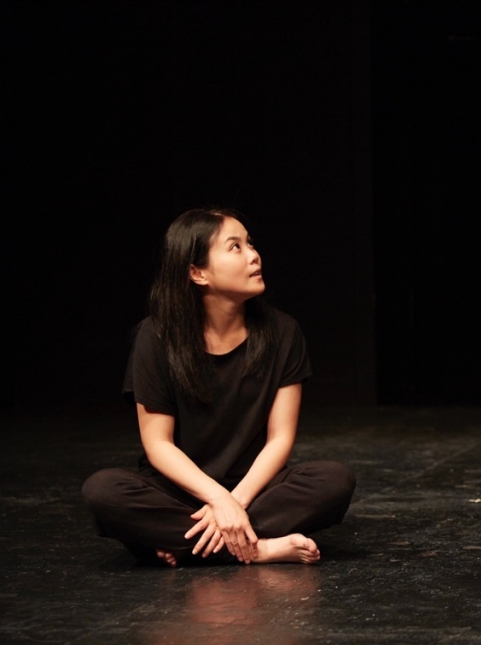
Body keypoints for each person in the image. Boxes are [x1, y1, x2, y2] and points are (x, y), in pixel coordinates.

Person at [83, 208, 355, 567]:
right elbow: (158, 445)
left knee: (334, 480)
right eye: (235, 247)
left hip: (255, 489)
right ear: (198, 273)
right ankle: (259, 550)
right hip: (180, 490)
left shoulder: (283, 332)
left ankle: (180, 544)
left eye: (250, 244)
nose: (254, 255)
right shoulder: (156, 336)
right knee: (103, 491)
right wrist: (216, 499)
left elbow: (280, 439)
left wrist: (233, 502)